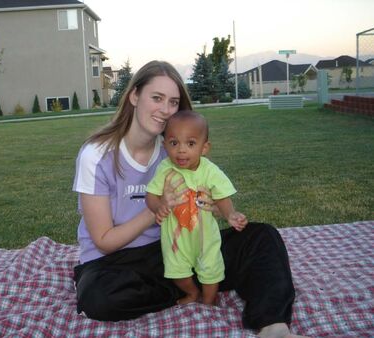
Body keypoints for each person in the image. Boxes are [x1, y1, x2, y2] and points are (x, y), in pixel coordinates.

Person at [72, 60, 301, 338]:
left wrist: (214, 208)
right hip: (116, 264)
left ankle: (273, 326)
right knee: (99, 298)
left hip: (176, 246)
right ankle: (198, 285)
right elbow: (104, 242)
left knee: (261, 237)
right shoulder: (96, 155)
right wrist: (158, 208)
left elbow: (204, 193)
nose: (165, 110)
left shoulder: (176, 147)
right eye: (156, 98)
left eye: (173, 102)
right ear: (134, 96)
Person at [146, 109, 247, 306]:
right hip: (176, 239)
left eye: (190, 143)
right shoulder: (165, 169)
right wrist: (159, 207)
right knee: (177, 272)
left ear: (204, 147)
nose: (181, 150)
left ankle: (208, 302)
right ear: (165, 144)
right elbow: (151, 195)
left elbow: (222, 197)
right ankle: (192, 293)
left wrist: (231, 214)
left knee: (211, 271)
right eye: (174, 143)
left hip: (205, 237)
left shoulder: (210, 171)